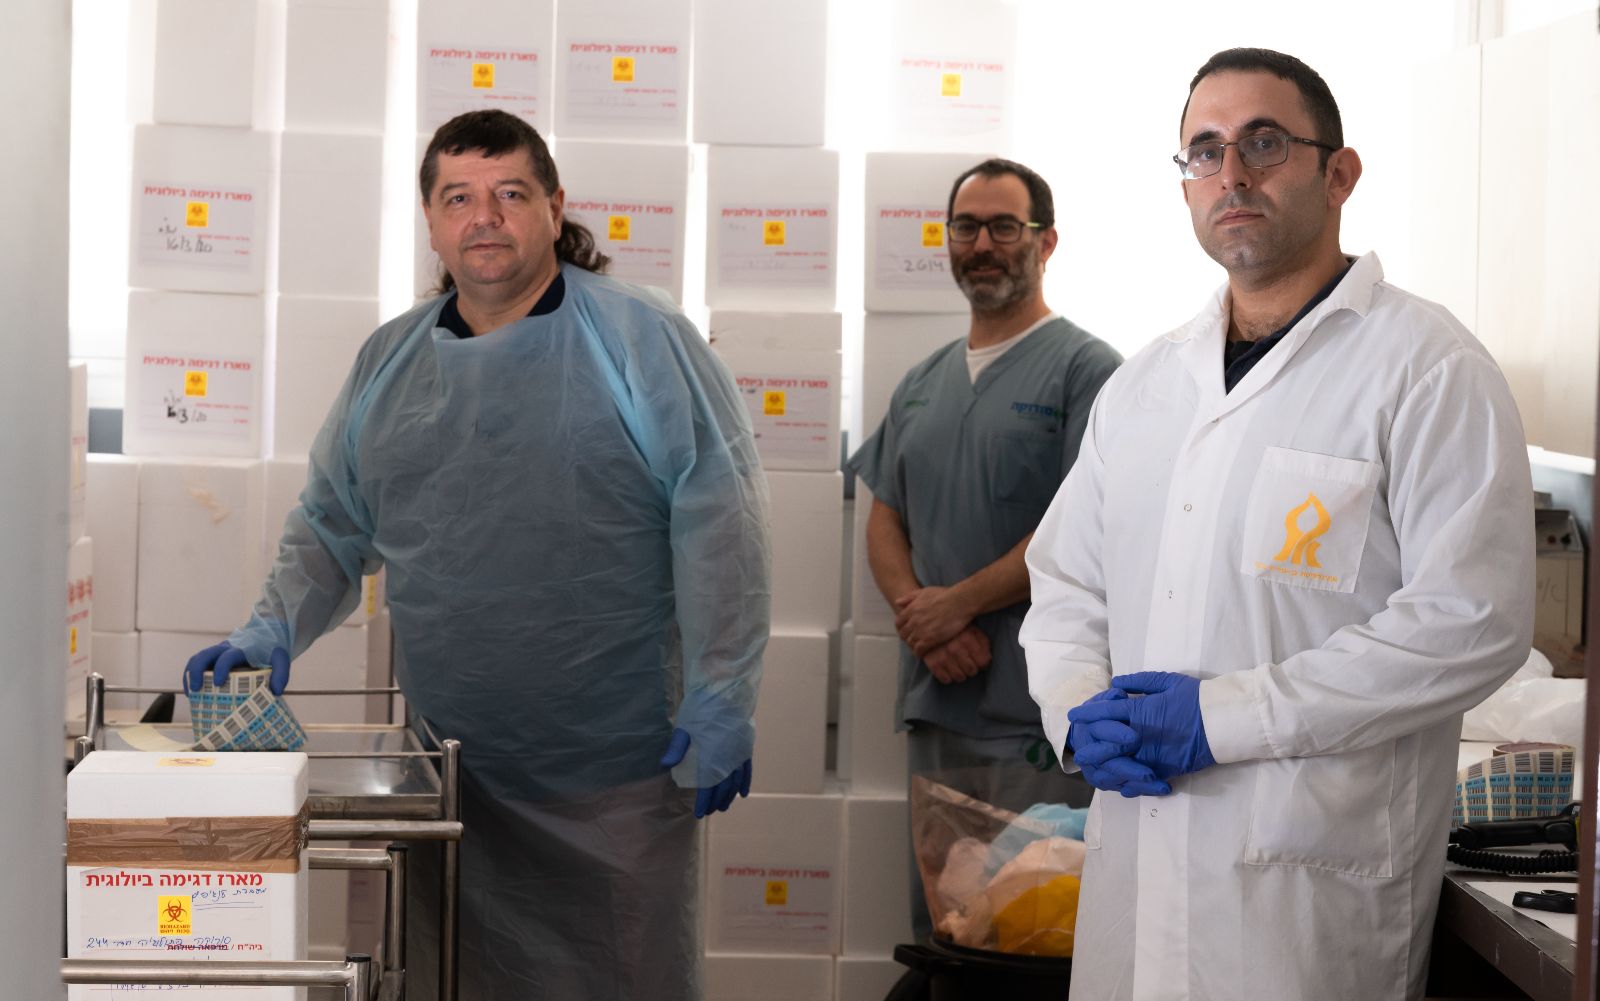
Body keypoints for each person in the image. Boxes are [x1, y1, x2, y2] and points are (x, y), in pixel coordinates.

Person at [183, 109, 771, 1000]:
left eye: (509, 194)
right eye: (459, 197)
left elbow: (722, 519)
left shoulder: (638, 341)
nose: (483, 217)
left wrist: (723, 691)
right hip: (453, 779)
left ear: (554, 206)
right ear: (430, 219)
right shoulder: (391, 361)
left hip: (613, 771)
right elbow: (333, 520)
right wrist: (272, 628)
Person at [1020, 48, 1534, 1001]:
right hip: (1139, 863)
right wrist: (1073, 709)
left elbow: (1475, 620)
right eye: (1203, 152)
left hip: (1307, 890)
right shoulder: (1143, 388)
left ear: (1340, 174)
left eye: (1265, 142)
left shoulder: (1427, 368)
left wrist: (1222, 717)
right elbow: (1066, 584)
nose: (1232, 174)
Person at [847, 158, 1121, 940]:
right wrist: (921, 618)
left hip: (1033, 712)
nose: (984, 244)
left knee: (1031, 922)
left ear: (1047, 241)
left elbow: (1084, 528)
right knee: (945, 918)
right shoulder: (923, 381)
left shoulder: (1087, 371)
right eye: (966, 227)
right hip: (939, 699)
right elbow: (885, 517)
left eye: (1006, 225)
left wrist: (957, 605)